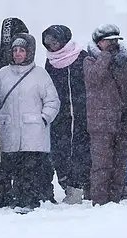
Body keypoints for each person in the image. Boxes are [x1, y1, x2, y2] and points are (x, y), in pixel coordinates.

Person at [0, 34, 60, 213]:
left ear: (30, 52)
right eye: (15, 50)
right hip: (8, 131)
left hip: (33, 133)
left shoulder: (40, 74)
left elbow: (52, 101)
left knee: (29, 171)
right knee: (7, 170)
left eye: (22, 50)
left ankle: (28, 201)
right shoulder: (3, 73)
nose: (18, 54)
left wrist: (44, 118)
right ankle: (7, 201)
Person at [83, 24, 127, 206]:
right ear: (98, 42)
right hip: (100, 124)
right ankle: (100, 202)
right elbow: (94, 78)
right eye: (108, 41)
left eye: (115, 41)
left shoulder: (123, 63)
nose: (113, 44)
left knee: (119, 164)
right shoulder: (89, 61)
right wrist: (104, 56)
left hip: (121, 122)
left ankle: (115, 201)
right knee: (101, 165)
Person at [42, 25, 91, 204]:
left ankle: (80, 187)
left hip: (81, 113)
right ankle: (67, 185)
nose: (52, 45)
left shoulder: (82, 57)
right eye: (48, 42)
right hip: (60, 115)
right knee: (60, 151)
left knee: (82, 150)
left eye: (55, 41)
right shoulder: (50, 62)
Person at [0, 17, 30, 207]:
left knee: (2, 157)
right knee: (15, 157)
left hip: (1, 116)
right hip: (11, 116)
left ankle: (5, 194)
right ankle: (12, 193)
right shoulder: (25, 59)